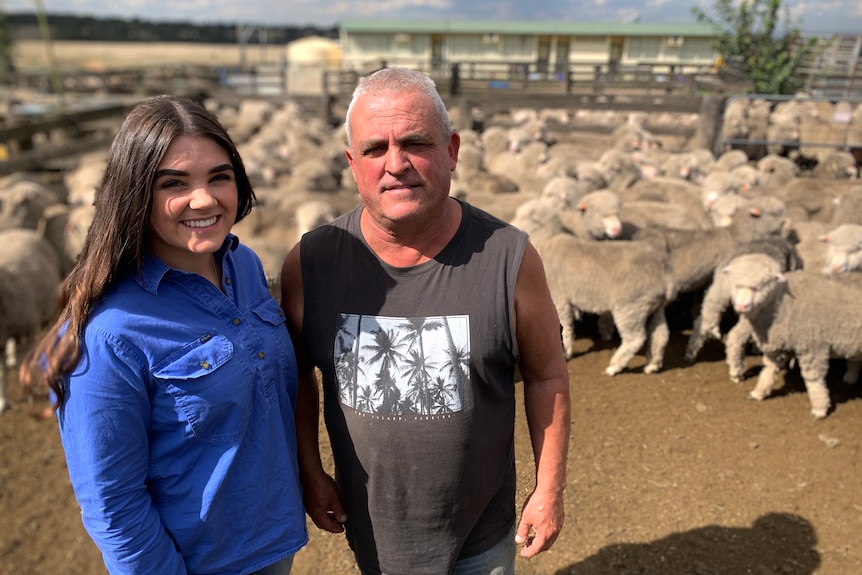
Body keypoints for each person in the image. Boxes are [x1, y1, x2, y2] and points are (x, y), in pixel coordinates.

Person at [280, 67, 571, 574]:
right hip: (372, 530)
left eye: (415, 142)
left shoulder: (509, 258)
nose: (396, 164)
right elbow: (298, 374)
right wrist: (311, 470)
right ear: (353, 163)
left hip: (480, 537)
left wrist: (549, 491)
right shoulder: (311, 264)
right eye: (374, 149)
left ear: (452, 151)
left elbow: (548, 374)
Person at [20, 95, 307, 575]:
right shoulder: (109, 333)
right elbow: (113, 506)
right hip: (203, 563)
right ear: (135, 195)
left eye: (219, 176)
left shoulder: (246, 266)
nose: (205, 199)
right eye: (174, 184)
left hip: (275, 541)